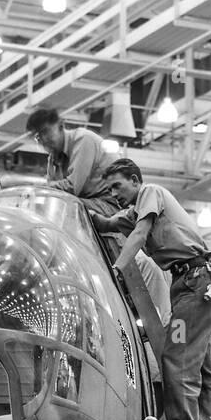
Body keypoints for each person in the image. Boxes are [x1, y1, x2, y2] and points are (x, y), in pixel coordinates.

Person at [93, 159, 211, 420]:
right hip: (188, 283)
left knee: (177, 358)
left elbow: (139, 234)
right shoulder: (134, 212)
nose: (114, 193)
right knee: (200, 365)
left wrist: (117, 270)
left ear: (135, 180)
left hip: (194, 282)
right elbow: (109, 223)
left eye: (118, 185)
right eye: (110, 188)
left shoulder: (150, 192)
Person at [27, 106, 171, 324]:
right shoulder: (53, 160)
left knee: (67, 207)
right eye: (38, 137)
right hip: (85, 206)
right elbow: (54, 194)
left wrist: (35, 190)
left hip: (106, 204)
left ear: (61, 126)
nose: (43, 140)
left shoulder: (83, 141)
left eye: (46, 132)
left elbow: (71, 188)